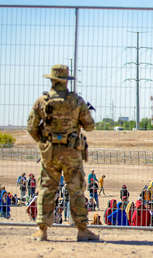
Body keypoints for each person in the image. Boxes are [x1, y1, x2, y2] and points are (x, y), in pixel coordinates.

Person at [27, 64, 98, 241]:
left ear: (51, 80)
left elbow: (31, 127)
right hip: (72, 152)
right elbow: (89, 126)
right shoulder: (77, 101)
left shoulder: (42, 101)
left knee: (46, 189)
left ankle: (42, 230)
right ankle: (82, 229)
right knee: (76, 190)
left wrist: (44, 142)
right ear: (66, 81)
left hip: (49, 152)